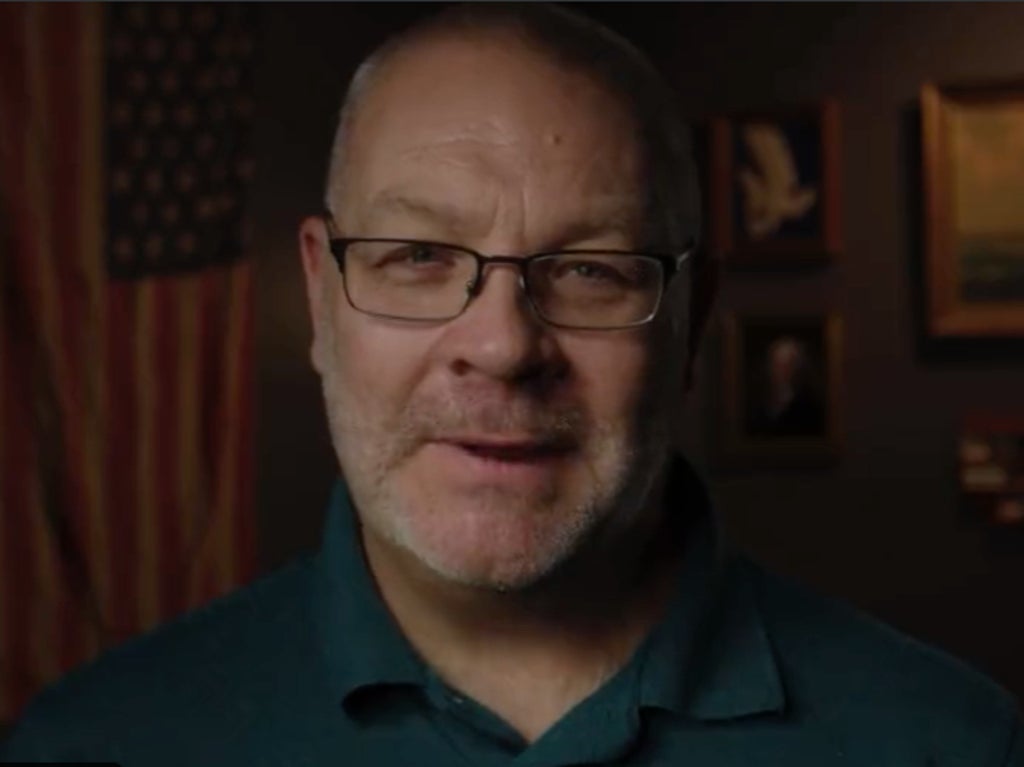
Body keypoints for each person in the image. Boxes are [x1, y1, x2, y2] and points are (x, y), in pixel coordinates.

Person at [3, 5, 1022, 765]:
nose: (500, 344)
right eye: (417, 257)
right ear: (319, 299)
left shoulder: (951, 743)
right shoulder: (93, 746)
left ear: (691, 321)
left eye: (589, 269)